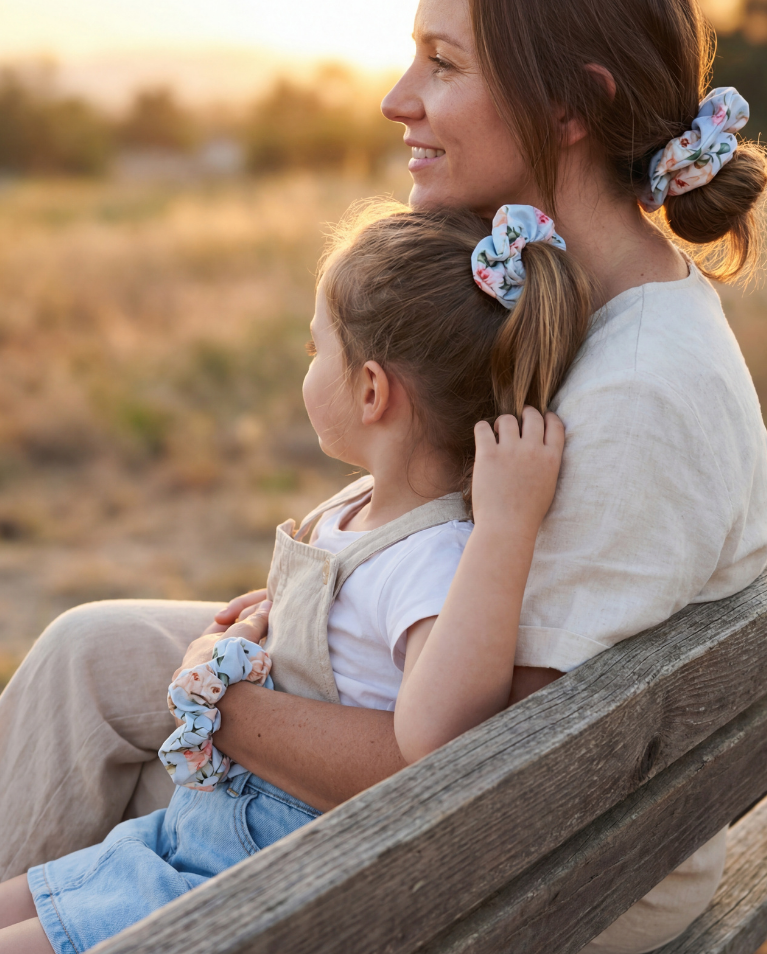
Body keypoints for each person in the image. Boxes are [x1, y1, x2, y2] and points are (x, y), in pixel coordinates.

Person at [0, 0, 767, 954]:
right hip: (542, 803)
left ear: (570, 108)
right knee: (91, 649)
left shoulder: (636, 397)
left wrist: (220, 703)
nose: (395, 99)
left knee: (126, 681)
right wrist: (303, 607)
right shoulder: (597, 312)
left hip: (552, 881)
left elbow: (484, 778)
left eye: (444, 63)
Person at [0, 201, 592, 952]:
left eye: (315, 350)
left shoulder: (436, 557)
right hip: (196, 832)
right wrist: (261, 629)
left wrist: (507, 531)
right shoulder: (360, 507)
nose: (306, 365)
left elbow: (438, 738)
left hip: (247, 872)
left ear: (372, 391)